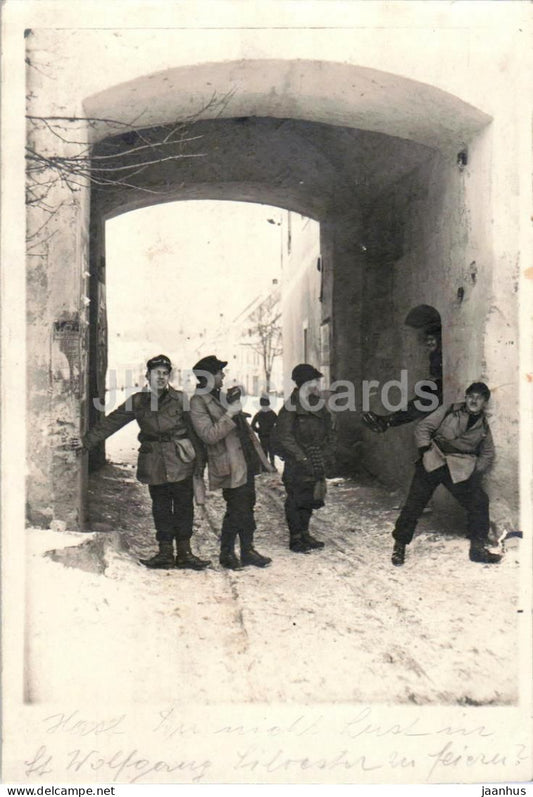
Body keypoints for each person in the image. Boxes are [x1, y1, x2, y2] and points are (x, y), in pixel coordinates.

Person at [76, 354, 210, 570]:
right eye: (157, 373)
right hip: (154, 460)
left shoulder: (181, 399)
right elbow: (111, 422)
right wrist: (87, 442)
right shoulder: (138, 401)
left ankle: (185, 553)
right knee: (161, 506)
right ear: (148, 375)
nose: (161, 377)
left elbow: (195, 431)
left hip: (180, 460)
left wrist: (200, 462)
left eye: (165, 373)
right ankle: (165, 553)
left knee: (184, 506)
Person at [390, 381, 501, 566]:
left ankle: (478, 549)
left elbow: (488, 453)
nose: (474, 400)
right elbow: (423, 428)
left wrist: (475, 470)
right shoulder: (449, 410)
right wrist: (425, 451)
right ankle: (399, 546)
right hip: (434, 459)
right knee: (415, 504)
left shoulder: (483, 427)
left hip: (458, 469)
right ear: (465, 398)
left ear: (484, 403)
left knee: (479, 501)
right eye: (471, 396)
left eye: (479, 398)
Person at [189, 355, 275, 570]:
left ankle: (247, 550)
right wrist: (230, 414)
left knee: (248, 505)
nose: (223, 375)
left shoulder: (221, 396)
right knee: (236, 508)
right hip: (227, 462)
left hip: (244, 460)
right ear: (208, 376)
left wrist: (235, 410)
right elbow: (208, 435)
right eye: (219, 372)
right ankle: (226, 552)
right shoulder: (198, 401)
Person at [272, 363, 336, 553]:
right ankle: (296, 538)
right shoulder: (291, 406)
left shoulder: (317, 403)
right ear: (305, 382)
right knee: (295, 498)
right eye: (314, 380)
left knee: (310, 496)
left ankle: (305, 533)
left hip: (316, 456)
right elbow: (284, 436)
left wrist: (327, 451)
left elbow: (330, 428)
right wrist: (301, 458)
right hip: (297, 460)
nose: (317, 384)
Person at [362, 326, 443, 433]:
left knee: (422, 403)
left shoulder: (443, 354)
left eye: (432, 339)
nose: (429, 343)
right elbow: (435, 375)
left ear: (439, 339)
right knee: (419, 402)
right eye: (427, 340)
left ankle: (387, 421)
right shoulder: (434, 356)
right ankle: (387, 420)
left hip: (443, 392)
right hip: (438, 389)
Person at [251, 396, 278, 468]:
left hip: (263, 436)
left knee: (264, 451)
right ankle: (272, 465)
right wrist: (274, 431)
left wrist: (259, 431)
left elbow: (252, 426)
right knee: (271, 451)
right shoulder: (272, 413)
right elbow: (278, 424)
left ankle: (264, 467)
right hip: (271, 435)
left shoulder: (259, 414)